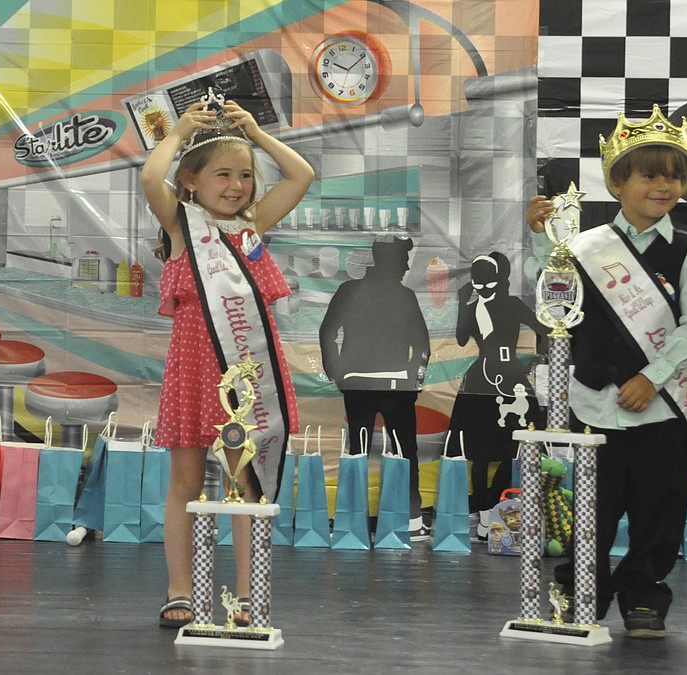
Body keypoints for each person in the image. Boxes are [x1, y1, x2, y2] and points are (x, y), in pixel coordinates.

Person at [524, 105, 687, 638]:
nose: (663, 185)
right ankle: (580, 592)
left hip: (660, 405)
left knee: (660, 513)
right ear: (616, 181)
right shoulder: (581, 247)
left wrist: (652, 376)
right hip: (592, 405)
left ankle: (643, 597)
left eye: (674, 175)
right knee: (590, 512)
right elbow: (557, 305)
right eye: (649, 173)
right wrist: (543, 239)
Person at [141, 90, 312, 628]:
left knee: (248, 483)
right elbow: (152, 180)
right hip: (194, 367)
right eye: (223, 175)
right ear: (191, 181)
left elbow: (301, 175)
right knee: (186, 481)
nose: (237, 186)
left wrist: (255, 135)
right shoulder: (180, 224)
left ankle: (246, 596)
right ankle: (179, 591)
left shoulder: (253, 222)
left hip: (249, 371)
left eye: (244, 176)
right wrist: (176, 133)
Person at [319, 236, 431, 541]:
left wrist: (338, 372)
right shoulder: (403, 295)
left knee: (359, 449)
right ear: (391, 261)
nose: (408, 266)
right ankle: (410, 518)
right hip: (395, 384)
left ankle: (353, 518)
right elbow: (421, 344)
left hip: (359, 382)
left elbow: (328, 331)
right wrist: (413, 379)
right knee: (404, 451)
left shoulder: (350, 290)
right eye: (404, 260)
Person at [447, 251, 548, 540]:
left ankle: (499, 501)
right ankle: (481, 509)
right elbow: (462, 338)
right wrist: (462, 304)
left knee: (516, 440)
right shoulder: (473, 304)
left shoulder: (513, 304)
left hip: (511, 375)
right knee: (478, 447)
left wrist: (536, 360)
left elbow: (543, 328)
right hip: (480, 376)